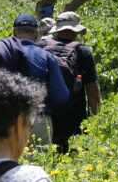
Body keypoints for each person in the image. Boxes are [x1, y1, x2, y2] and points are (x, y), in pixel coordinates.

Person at [0, 14, 69, 145]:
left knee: (8, 164)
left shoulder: (2, 54)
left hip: (7, 119)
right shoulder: (47, 57)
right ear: (37, 34)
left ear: (14, 32)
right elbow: (61, 96)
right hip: (38, 118)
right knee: (38, 162)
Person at [43, 11, 101, 153]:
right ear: (75, 30)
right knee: (71, 155)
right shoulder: (82, 51)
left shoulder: (40, 46)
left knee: (45, 156)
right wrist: (96, 120)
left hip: (45, 113)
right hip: (74, 114)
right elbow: (92, 90)